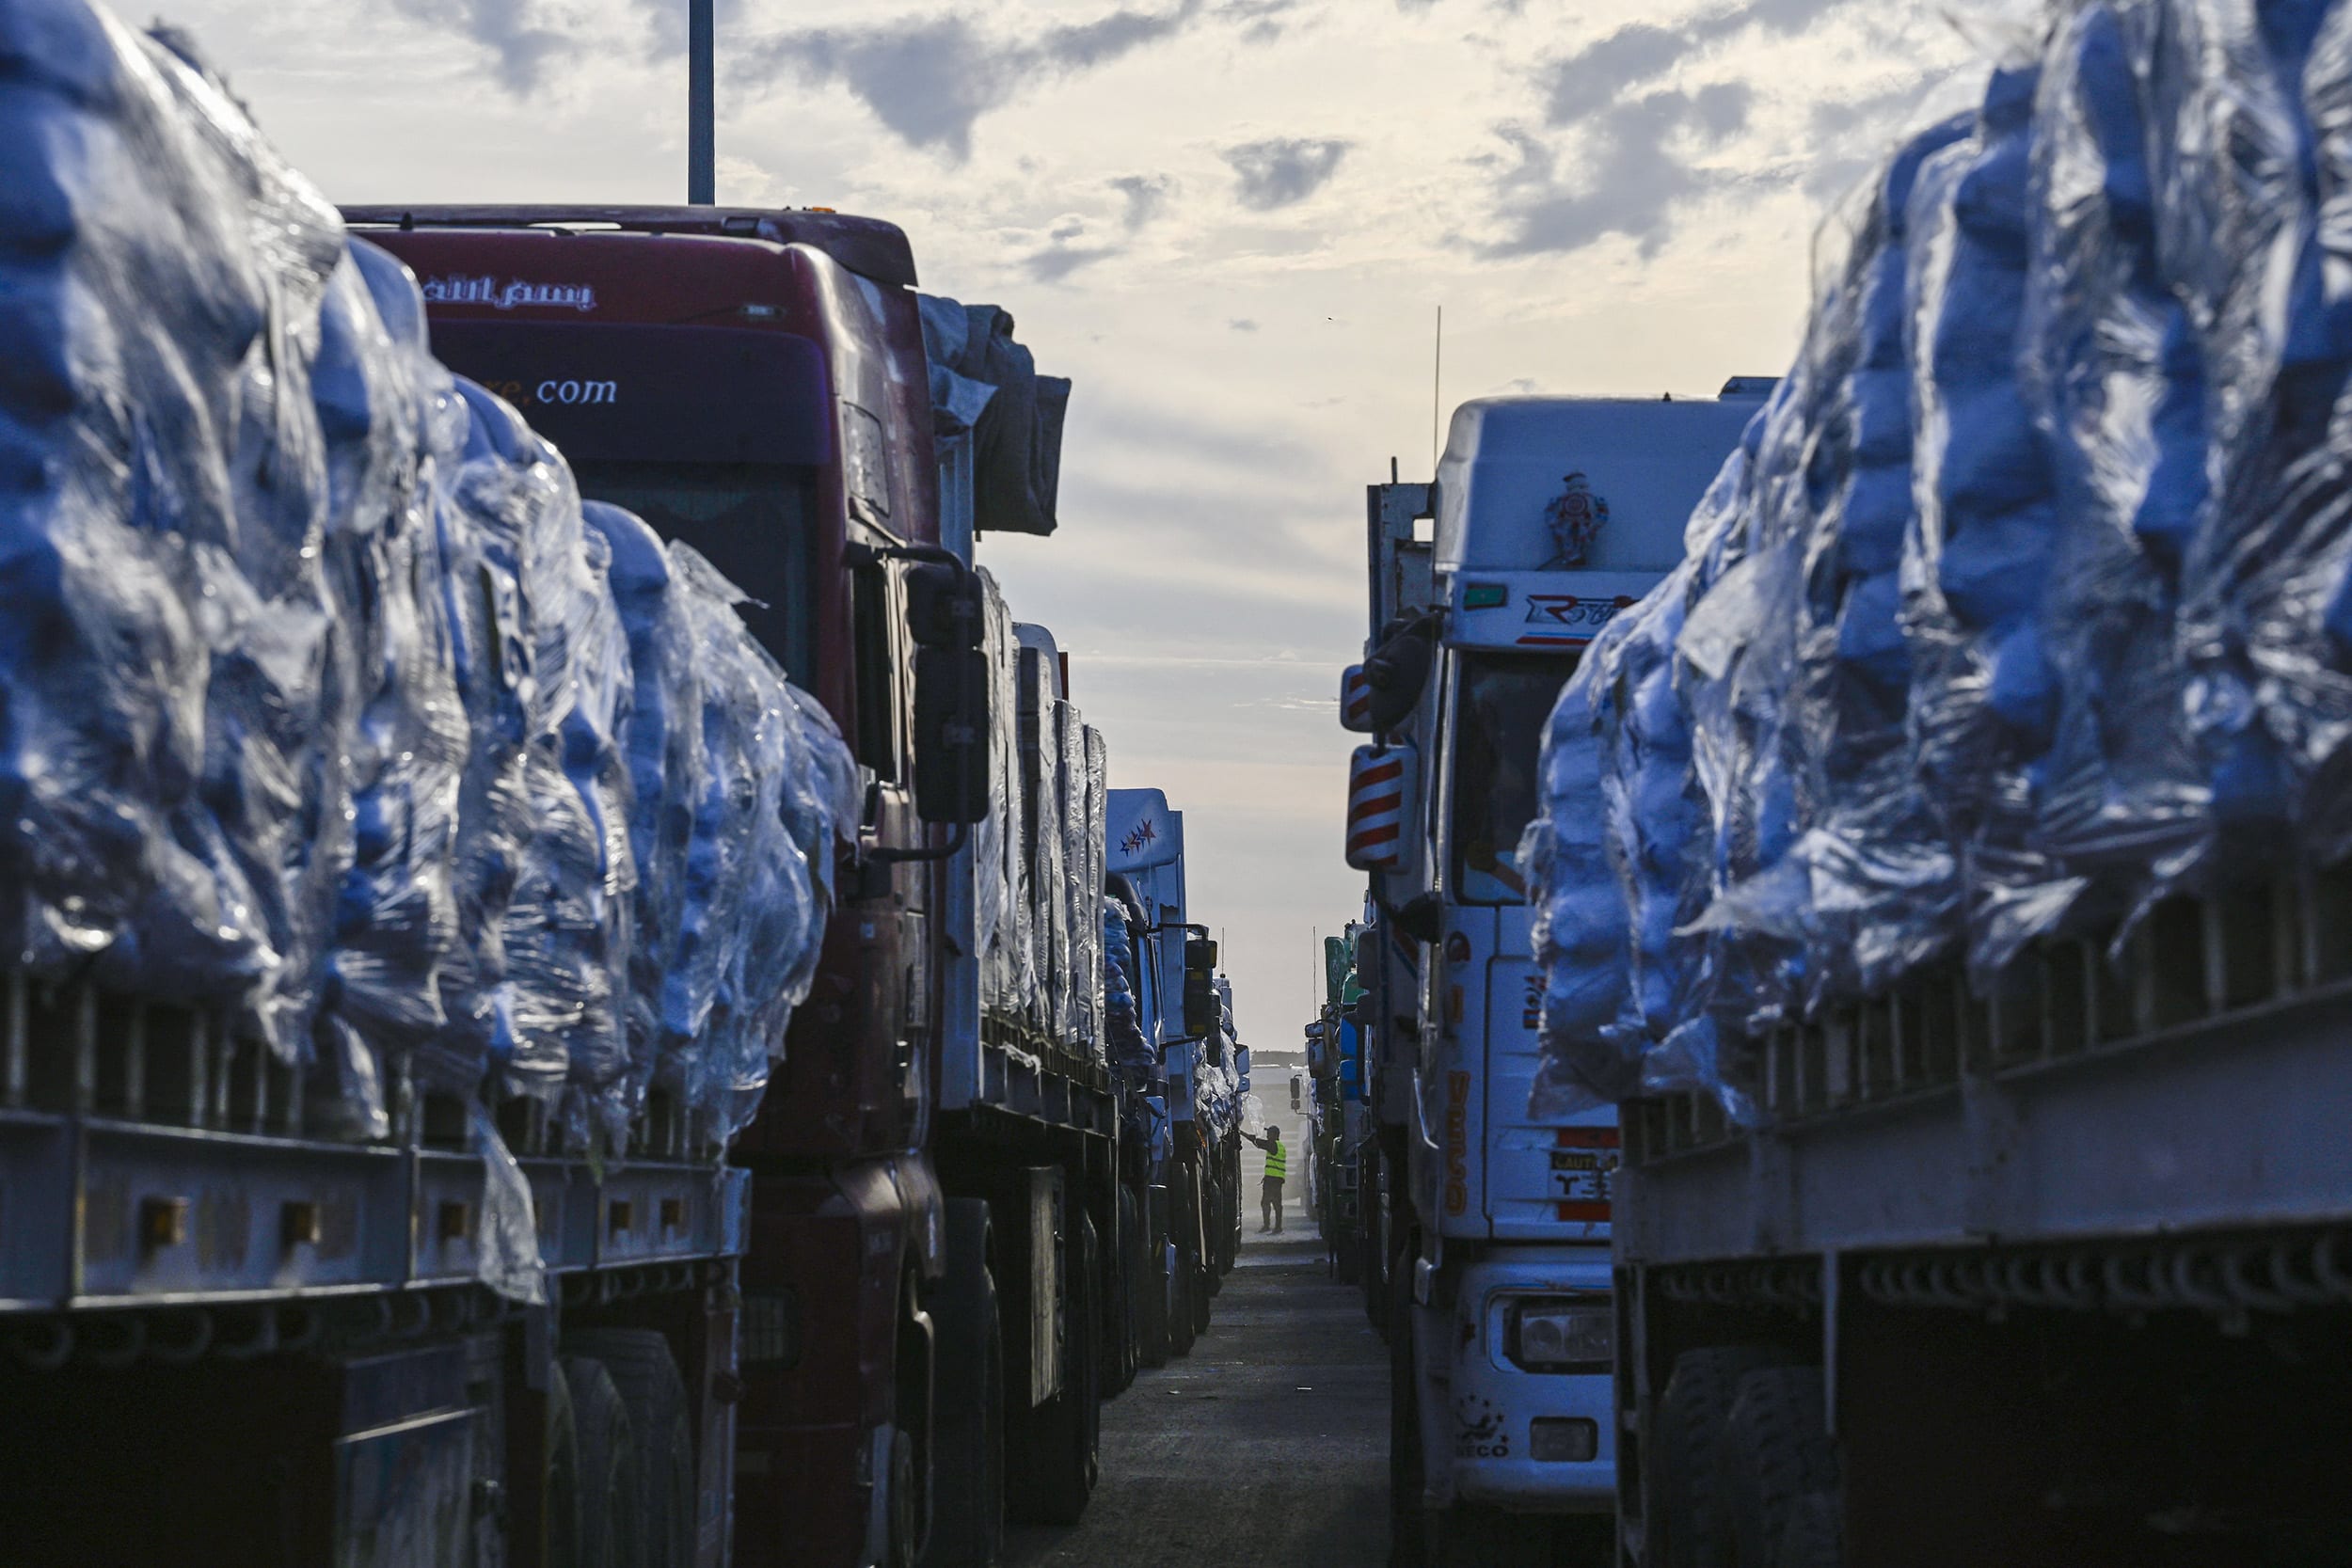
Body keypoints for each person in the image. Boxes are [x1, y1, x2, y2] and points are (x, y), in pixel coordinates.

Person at [1244, 1124, 1289, 1233]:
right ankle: (1277, 1226)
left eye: (1269, 1133)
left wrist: (1244, 1134)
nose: (1268, 1135)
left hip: (1272, 1180)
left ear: (1275, 1135)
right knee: (1276, 1203)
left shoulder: (1273, 1145)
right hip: (1276, 1179)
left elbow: (1259, 1143)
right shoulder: (1280, 1146)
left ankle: (1269, 1226)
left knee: (1266, 1202)